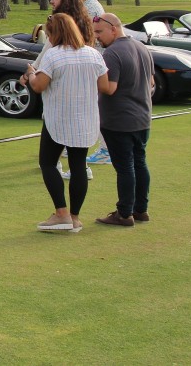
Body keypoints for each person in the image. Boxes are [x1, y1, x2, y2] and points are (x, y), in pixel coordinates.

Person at [27, 13, 110, 233]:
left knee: (47, 163)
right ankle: (74, 217)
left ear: (54, 34)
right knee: (78, 165)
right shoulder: (93, 54)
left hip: (59, 118)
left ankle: (61, 213)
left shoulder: (53, 55)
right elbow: (104, 85)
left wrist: (31, 74)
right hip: (85, 117)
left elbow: (39, 86)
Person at [24, 0, 96, 180]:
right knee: (73, 132)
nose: (51, 1)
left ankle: (58, 166)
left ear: (66, 1)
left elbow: (46, 53)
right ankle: (79, 167)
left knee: (55, 125)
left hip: (62, 83)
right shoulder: (82, 21)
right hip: (77, 84)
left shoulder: (62, 24)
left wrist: (31, 72)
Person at [92, 13, 153, 226]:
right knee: (139, 163)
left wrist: (91, 78)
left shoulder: (112, 53)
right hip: (142, 117)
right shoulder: (142, 47)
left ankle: (124, 213)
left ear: (114, 29)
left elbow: (110, 88)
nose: (97, 37)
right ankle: (140, 210)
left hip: (120, 120)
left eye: (99, 32)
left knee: (125, 167)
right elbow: (151, 82)